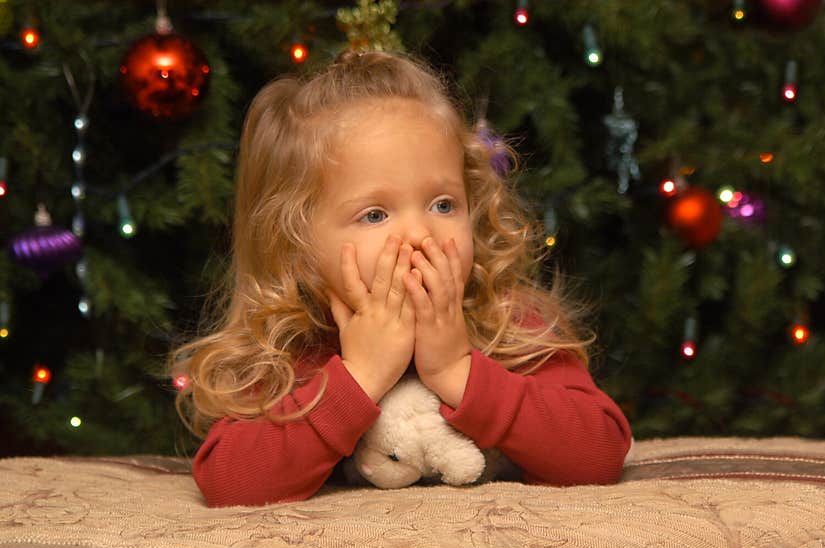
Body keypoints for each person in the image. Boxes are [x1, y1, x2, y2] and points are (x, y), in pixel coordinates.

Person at [168, 49, 633, 508]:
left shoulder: (505, 320)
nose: (418, 232)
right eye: (374, 214)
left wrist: (458, 371)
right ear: (296, 244)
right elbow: (230, 482)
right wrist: (359, 378)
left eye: (443, 204)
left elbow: (600, 451)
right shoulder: (287, 346)